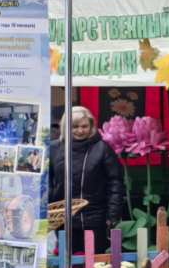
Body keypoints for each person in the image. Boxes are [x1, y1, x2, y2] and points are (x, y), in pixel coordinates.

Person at [48, 106, 128, 252]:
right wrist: (49, 204)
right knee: (65, 260)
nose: (80, 131)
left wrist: (113, 214)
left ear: (91, 126)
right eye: (75, 127)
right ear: (66, 127)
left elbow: (115, 183)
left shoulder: (102, 148)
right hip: (62, 218)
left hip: (95, 219)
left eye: (84, 126)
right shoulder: (54, 148)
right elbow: (46, 181)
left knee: (95, 262)